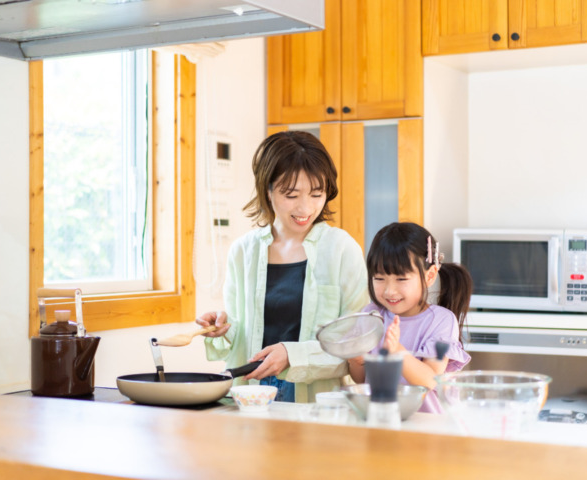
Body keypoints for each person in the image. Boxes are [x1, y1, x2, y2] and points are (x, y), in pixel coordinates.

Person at [196, 131, 369, 403]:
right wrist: (223, 328)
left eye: (316, 194)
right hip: (250, 392)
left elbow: (356, 346)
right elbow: (243, 335)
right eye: (291, 195)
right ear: (268, 189)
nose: (305, 208)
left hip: (314, 399)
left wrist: (293, 355)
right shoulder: (244, 251)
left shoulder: (341, 249)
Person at [347, 222, 472, 414]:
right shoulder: (371, 314)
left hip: (427, 428)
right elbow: (361, 379)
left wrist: (398, 351)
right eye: (379, 278)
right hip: (382, 420)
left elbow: (431, 379)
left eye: (401, 279)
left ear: (429, 276)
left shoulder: (441, 321)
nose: (389, 290)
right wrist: (355, 361)